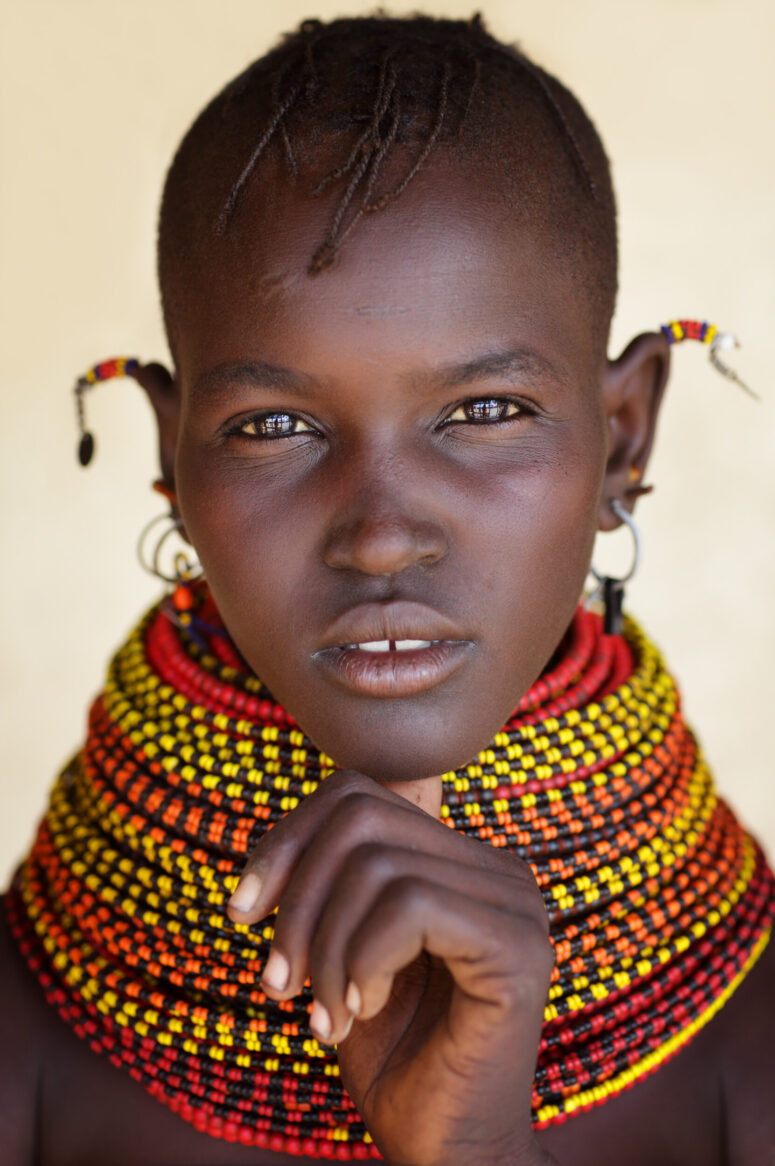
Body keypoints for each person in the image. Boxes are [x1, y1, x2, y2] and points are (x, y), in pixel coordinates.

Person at [1, 13, 773, 1165]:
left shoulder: (742, 1029)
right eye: (274, 425)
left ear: (622, 438)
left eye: (484, 411)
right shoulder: (30, 1024)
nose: (379, 536)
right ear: (172, 462)